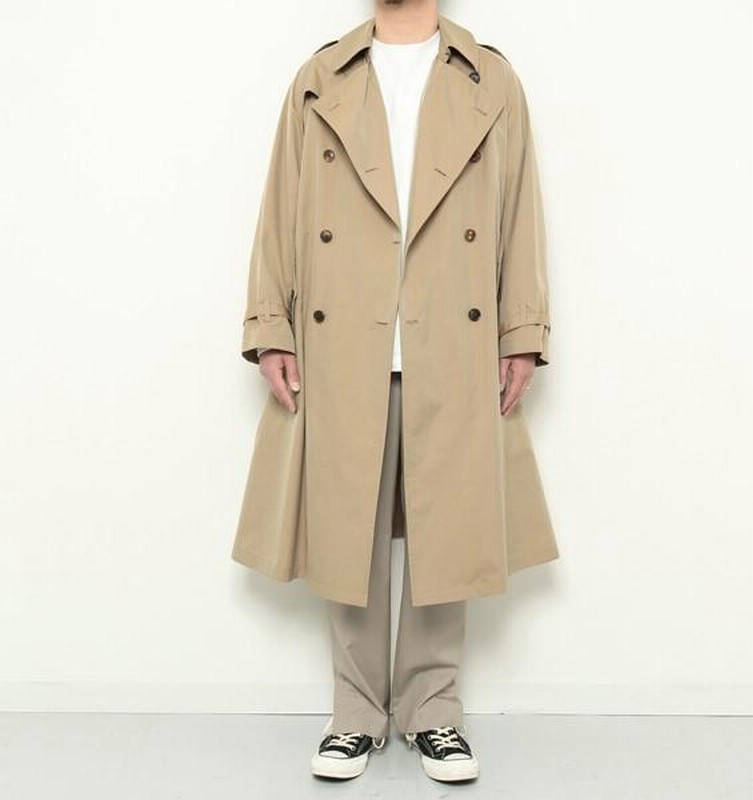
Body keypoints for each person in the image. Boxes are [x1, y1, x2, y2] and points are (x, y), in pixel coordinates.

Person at [232, 0, 559, 784]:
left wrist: (521, 331)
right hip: (346, 331)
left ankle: (433, 710)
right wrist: (272, 325)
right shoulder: (321, 78)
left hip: (453, 331)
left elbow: (520, 211)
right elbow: (280, 206)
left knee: (451, 526)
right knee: (348, 527)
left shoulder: (490, 79)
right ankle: (355, 714)